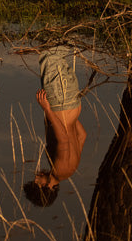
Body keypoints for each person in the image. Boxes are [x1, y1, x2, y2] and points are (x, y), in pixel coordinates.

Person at [22, 45, 86, 207]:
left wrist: (71, 117)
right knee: (51, 55)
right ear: (46, 187)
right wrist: (48, 110)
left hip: (70, 105)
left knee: (55, 55)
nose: (36, 178)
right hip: (61, 101)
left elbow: (82, 135)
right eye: (37, 182)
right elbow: (63, 139)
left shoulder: (69, 171)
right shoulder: (60, 169)